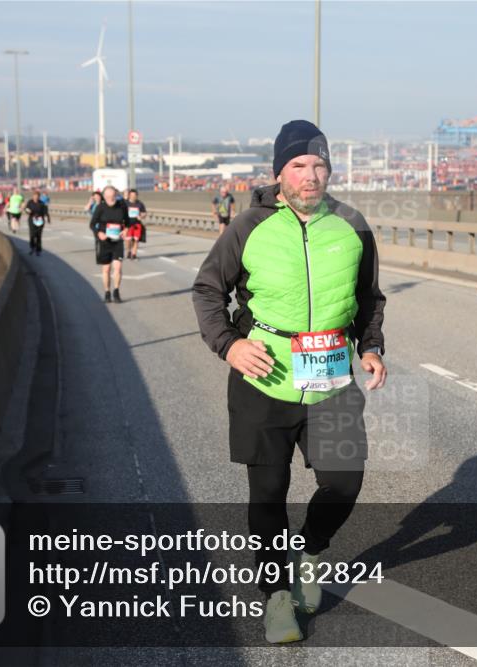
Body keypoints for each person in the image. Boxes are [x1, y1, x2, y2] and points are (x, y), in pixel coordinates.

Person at [193, 120, 387, 644]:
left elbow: (369, 298)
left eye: (320, 164)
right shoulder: (248, 225)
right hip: (265, 376)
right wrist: (231, 345)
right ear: (279, 172)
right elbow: (209, 290)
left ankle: (311, 551)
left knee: (345, 481)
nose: (312, 175)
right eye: (300, 165)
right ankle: (276, 598)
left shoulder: (352, 224)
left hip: (331, 377)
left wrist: (370, 347)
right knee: (269, 493)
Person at [89, 185, 127, 303]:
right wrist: (99, 233)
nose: (111, 198)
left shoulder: (122, 206)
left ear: (115, 195)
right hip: (104, 242)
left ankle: (116, 291)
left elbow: (128, 221)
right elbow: (92, 224)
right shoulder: (100, 207)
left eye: (113, 196)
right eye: (108, 196)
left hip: (117, 241)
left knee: (118, 267)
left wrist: (125, 230)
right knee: (106, 269)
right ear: (104, 197)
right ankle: (107, 292)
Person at [24, 190, 50, 256]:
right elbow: (26, 209)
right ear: (33, 196)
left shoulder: (41, 203)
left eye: (37, 196)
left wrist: (48, 218)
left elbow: (45, 212)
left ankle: (38, 250)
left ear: (39, 197)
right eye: (34, 196)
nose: (35, 198)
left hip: (40, 220)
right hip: (32, 220)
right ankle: (32, 248)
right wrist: (28, 211)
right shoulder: (30, 202)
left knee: (38, 236)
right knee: (32, 235)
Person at [124, 188, 147, 260]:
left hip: (137, 224)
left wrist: (141, 216)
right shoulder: (125, 203)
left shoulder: (140, 204)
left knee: (136, 240)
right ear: (129, 195)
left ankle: (134, 254)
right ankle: (128, 251)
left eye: (135, 195)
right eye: (132, 195)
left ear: (137, 196)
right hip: (128, 224)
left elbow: (144, 213)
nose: (133, 196)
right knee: (128, 240)